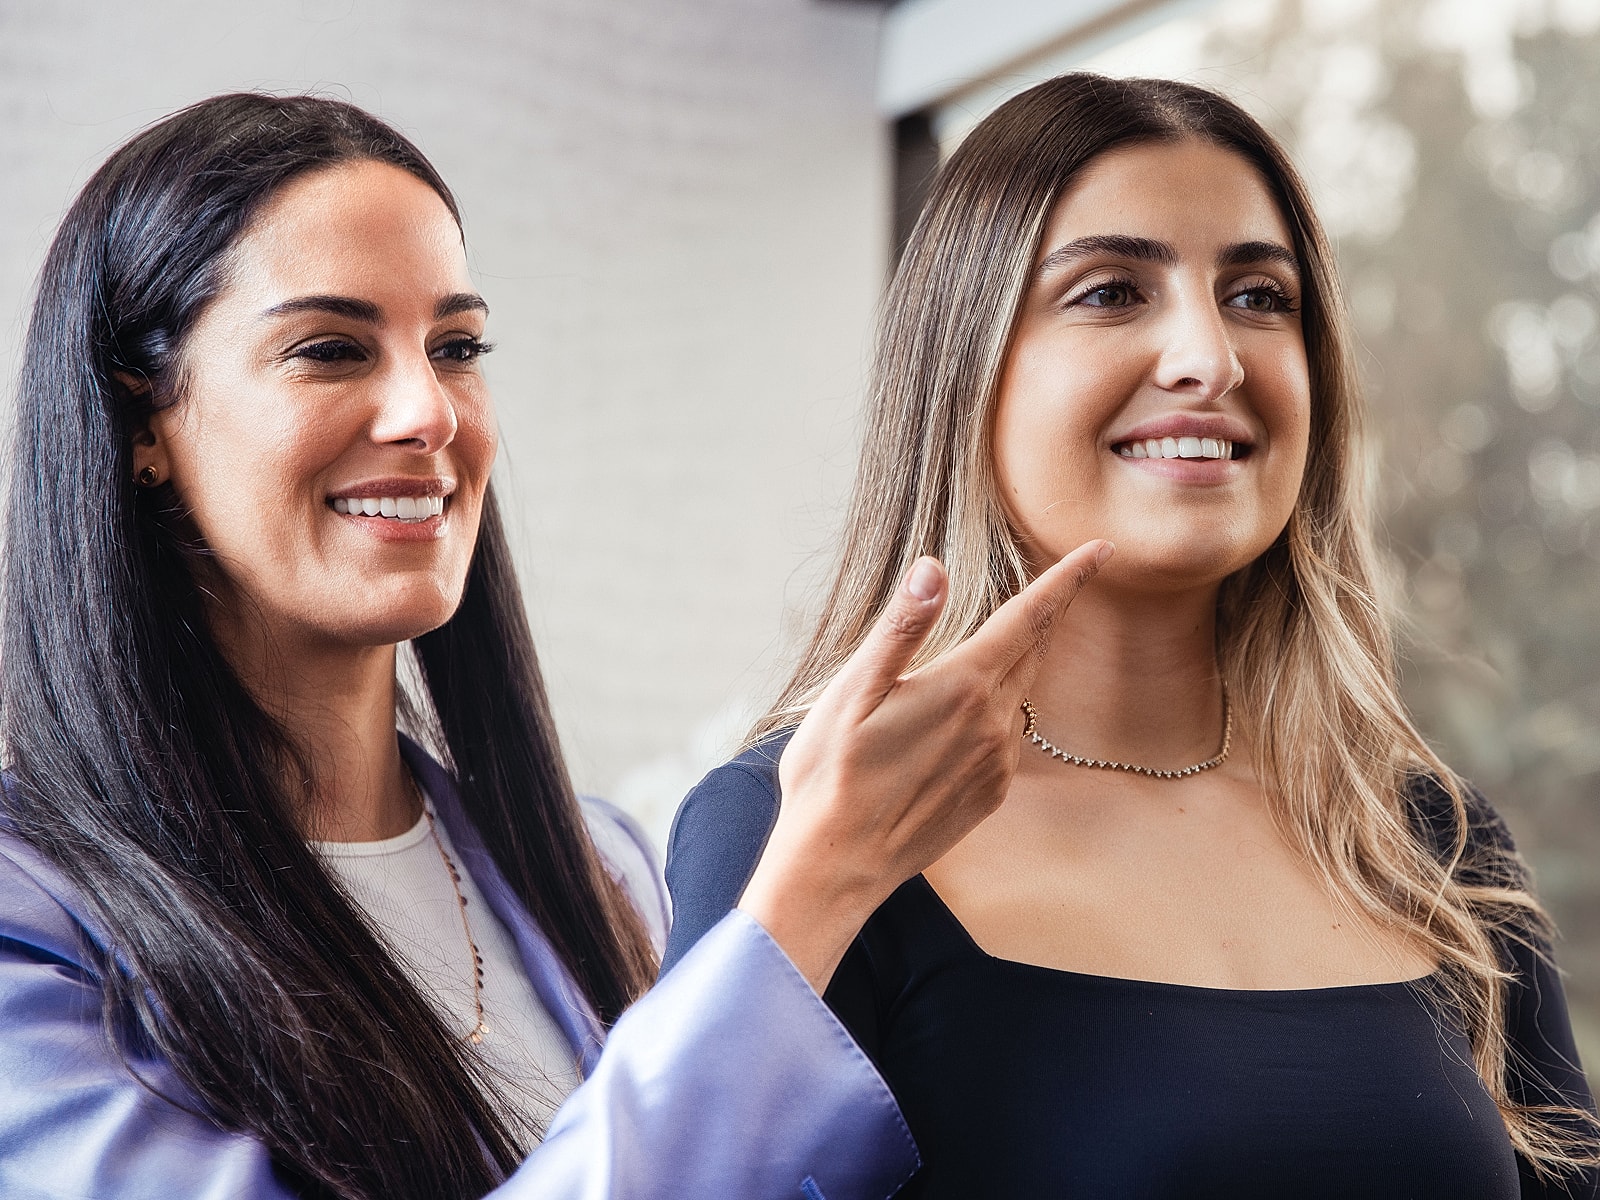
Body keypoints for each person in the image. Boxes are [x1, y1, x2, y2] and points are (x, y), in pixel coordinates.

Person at [0, 92, 1110, 1200]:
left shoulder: (602, 869)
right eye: (330, 350)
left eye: (457, 346)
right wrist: (811, 895)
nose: (427, 411)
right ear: (143, 424)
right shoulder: (30, 919)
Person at [662, 73, 1600, 1199]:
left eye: (1259, 296)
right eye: (1110, 293)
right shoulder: (800, 824)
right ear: (963, 368)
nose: (1210, 357)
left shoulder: (1433, 845)